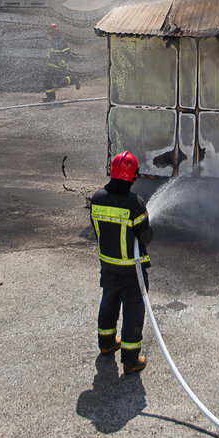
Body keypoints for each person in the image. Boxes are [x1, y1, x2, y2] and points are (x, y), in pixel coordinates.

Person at [89, 151, 152, 374]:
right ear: (132, 176)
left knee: (109, 302)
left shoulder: (96, 199)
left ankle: (106, 344)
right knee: (134, 310)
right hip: (131, 269)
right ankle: (131, 360)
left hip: (107, 265)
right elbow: (145, 237)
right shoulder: (134, 204)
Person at [43, 23, 79, 102]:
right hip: (51, 65)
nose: (49, 33)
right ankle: (50, 98)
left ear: (55, 31)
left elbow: (67, 54)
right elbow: (51, 52)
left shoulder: (61, 41)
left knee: (60, 82)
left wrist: (62, 63)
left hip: (59, 66)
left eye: (51, 31)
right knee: (47, 80)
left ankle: (74, 79)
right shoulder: (52, 40)